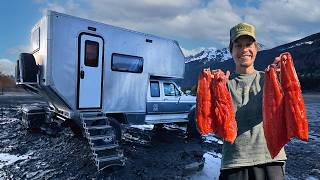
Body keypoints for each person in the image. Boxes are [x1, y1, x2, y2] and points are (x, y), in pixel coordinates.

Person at [219, 22, 287, 180]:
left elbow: (287, 109)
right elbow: (215, 130)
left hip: (271, 159)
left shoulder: (270, 78)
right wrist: (216, 95)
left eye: (249, 44)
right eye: (238, 45)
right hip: (234, 162)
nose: (244, 50)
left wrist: (282, 77)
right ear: (231, 50)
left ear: (256, 48)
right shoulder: (224, 85)